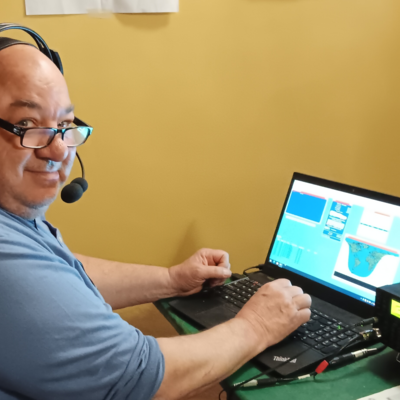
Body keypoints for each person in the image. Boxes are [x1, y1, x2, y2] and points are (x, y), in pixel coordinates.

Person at [0, 37, 312, 400]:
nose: (57, 149)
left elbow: (55, 276)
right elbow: (140, 376)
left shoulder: (17, 221)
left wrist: (171, 279)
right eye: (27, 123)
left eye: (65, 123)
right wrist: (257, 325)